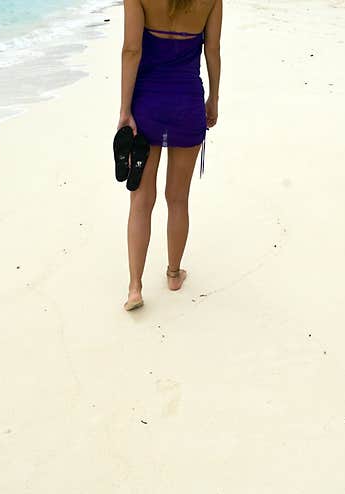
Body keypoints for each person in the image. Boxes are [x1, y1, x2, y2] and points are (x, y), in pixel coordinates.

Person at [118, 0, 222, 311]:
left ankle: (135, 287)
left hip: (147, 104)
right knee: (177, 198)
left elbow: (131, 51)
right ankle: (174, 274)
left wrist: (125, 111)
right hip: (187, 105)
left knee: (141, 199)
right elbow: (212, 51)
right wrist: (213, 99)